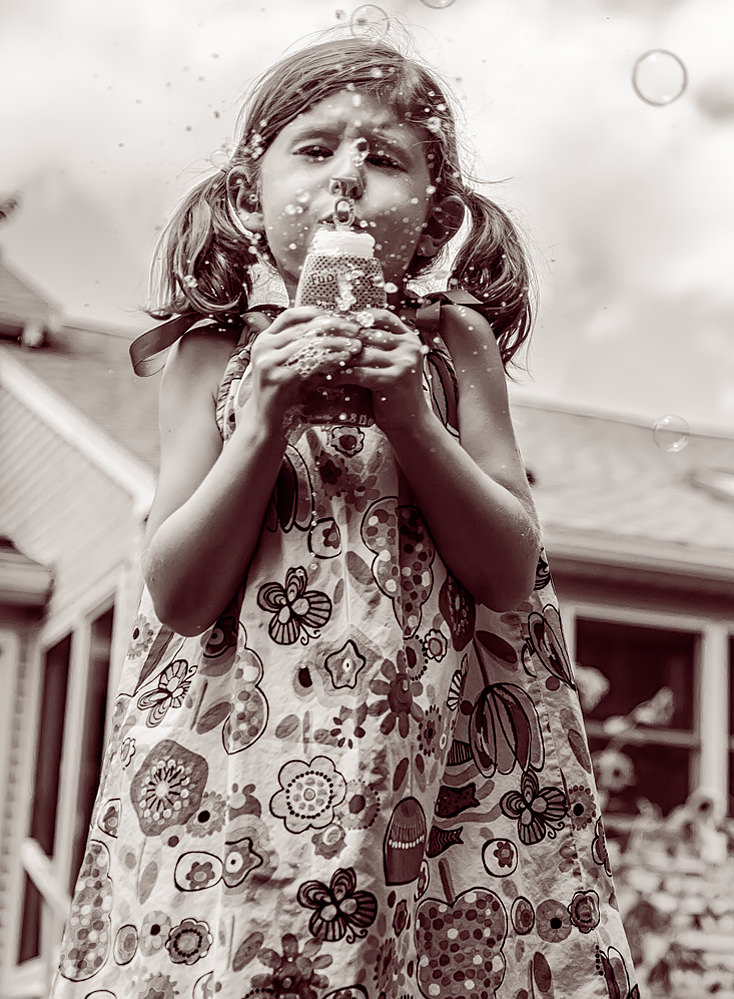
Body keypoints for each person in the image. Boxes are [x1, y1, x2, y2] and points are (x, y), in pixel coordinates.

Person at [51, 34, 639, 999]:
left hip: (441, 769)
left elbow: (506, 569)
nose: (347, 181)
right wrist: (262, 421)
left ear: (438, 213)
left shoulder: (453, 343)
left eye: (385, 158)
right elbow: (182, 592)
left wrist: (414, 418)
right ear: (251, 194)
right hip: (237, 761)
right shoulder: (209, 355)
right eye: (315, 149)